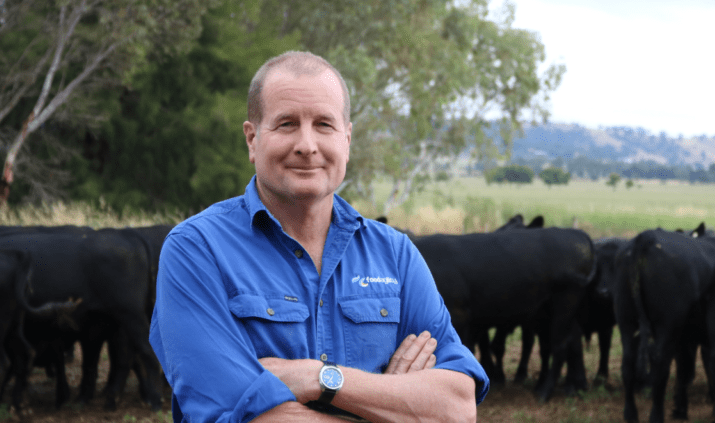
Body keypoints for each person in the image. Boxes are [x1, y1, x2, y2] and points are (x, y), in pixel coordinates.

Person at [149, 50, 489, 422]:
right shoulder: (197, 251)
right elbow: (230, 414)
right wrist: (392, 409)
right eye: (287, 124)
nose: (307, 145)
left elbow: (456, 409)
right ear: (252, 139)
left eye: (324, 125)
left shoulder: (395, 254)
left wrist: (319, 379)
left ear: (347, 139)